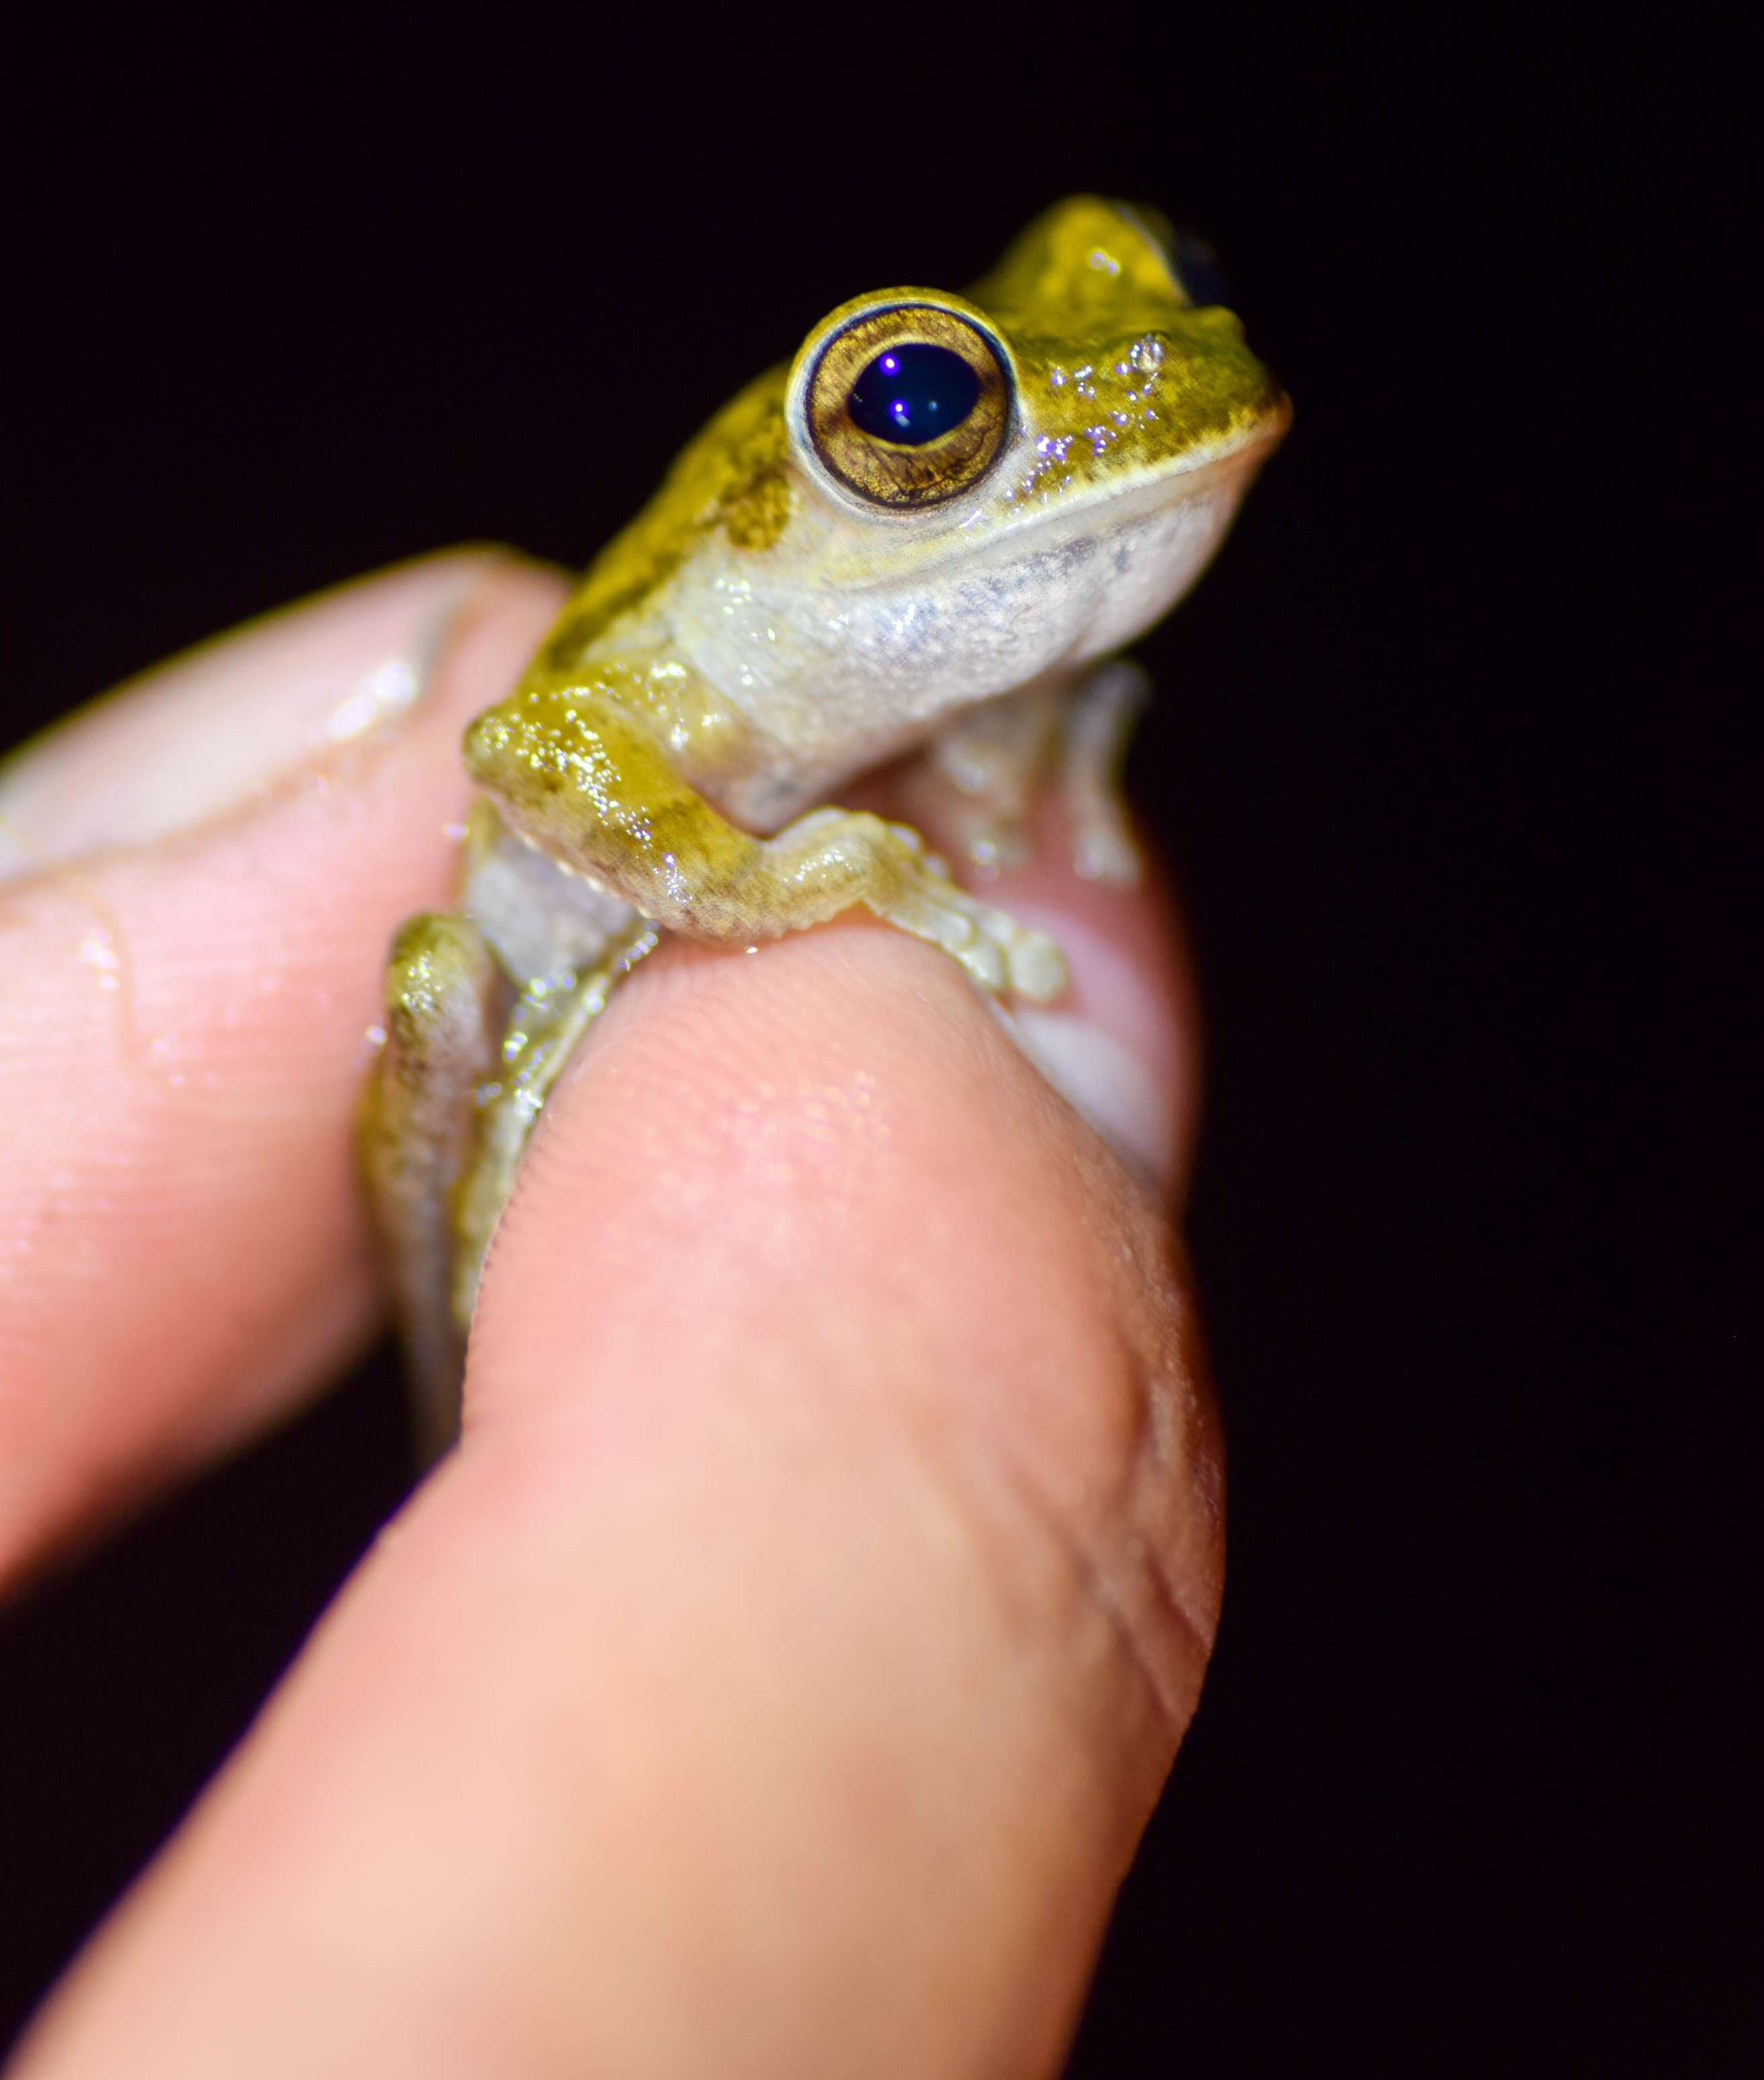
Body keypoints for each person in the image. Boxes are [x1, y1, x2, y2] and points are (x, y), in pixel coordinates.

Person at [1, 551, 1220, 2078]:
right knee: (435, 982)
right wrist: (761, 889)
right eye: (913, 429)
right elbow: (531, 743)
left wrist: (1036, 736)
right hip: (512, 1000)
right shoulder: (702, 652)